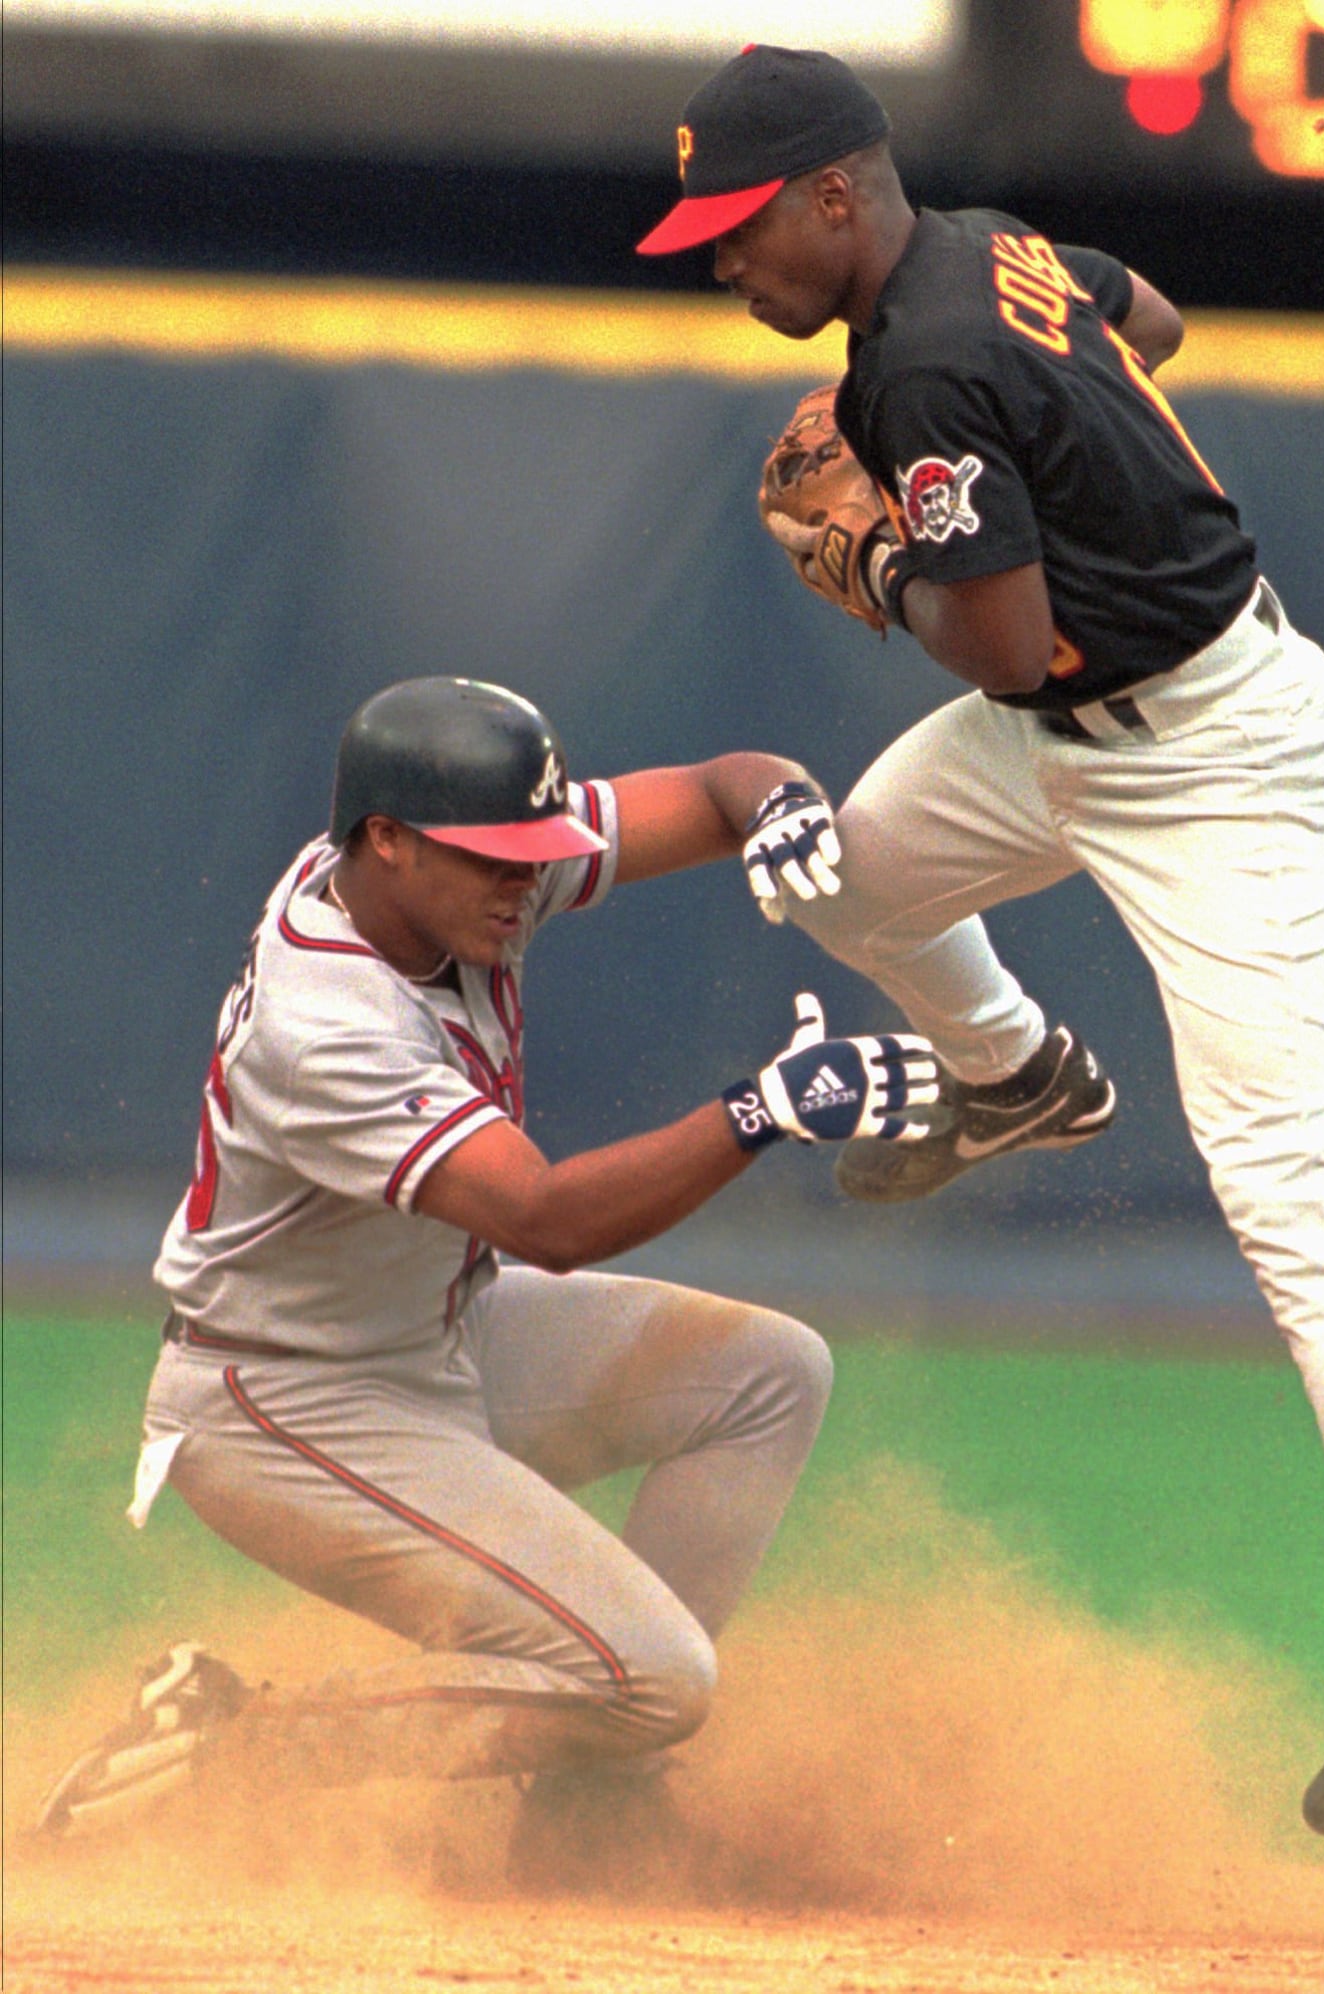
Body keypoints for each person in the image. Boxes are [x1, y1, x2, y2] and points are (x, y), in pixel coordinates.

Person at [637, 45, 1324, 1837]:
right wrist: (1023, 461)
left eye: (741, 230)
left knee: (1278, 1176)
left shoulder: (931, 357)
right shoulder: (986, 246)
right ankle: (1016, 1070)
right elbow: (1160, 315)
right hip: (1075, 727)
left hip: (1212, 752)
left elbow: (1004, 643)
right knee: (834, 873)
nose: (726, 264)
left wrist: (864, 556)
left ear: (835, 195)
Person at [35, 674, 935, 1880]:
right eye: (496, 858)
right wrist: (759, 1110)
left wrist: (781, 804)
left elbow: (723, 786)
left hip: (433, 1330)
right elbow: (546, 1218)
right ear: (389, 843)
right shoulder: (324, 1022)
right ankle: (236, 1745)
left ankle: (584, 1809)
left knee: (767, 1372)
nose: (529, 879)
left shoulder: (440, 877)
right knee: (653, 1675)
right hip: (287, 1408)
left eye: (538, 850)